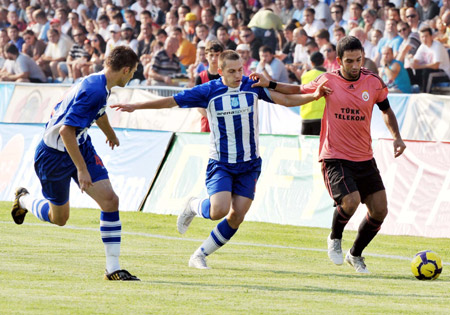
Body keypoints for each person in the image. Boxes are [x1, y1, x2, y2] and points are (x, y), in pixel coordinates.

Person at [111, 50, 330, 269]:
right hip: (222, 163)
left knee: (237, 216)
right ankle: (193, 205)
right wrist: (136, 106)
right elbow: (171, 101)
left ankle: (200, 254)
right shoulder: (208, 91)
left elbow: (284, 99)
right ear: (220, 71)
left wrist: (314, 96)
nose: (238, 75)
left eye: (240, 70)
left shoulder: (250, 86)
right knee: (218, 210)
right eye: (232, 71)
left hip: (250, 164)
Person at [250, 36, 406, 274]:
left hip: (364, 156)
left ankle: (355, 254)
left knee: (380, 210)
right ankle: (335, 237)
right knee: (351, 201)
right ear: (339, 60)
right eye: (350, 61)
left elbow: (386, 110)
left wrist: (396, 136)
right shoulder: (328, 80)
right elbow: (296, 90)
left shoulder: (373, 82)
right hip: (335, 155)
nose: (355, 65)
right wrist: (269, 84)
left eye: (358, 60)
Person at [11, 46, 140, 281]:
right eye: (132, 73)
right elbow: (66, 130)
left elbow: (97, 113)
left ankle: (113, 269)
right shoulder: (95, 90)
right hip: (54, 156)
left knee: (110, 201)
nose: (132, 77)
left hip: (80, 145)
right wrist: (81, 170)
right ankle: (24, 200)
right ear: (125, 70)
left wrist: (110, 133)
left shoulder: (98, 83)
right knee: (59, 218)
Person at [195, 40, 223, 132]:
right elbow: (198, 104)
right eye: (211, 55)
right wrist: (212, 118)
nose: (214, 59)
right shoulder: (200, 77)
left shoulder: (226, 77)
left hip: (225, 121)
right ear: (206, 56)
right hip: (207, 123)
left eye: (217, 55)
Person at [299, 51, 326, 135]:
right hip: (321, 116)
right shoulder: (327, 76)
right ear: (323, 61)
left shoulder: (305, 76)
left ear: (311, 62)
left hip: (306, 116)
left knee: (305, 146)